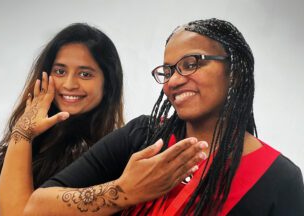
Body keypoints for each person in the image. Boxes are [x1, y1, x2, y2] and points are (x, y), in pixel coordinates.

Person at [25, 18, 303, 215]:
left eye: (191, 64)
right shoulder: (142, 136)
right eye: (168, 71)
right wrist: (125, 191)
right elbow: (37, 207)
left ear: (236, 73)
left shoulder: (279, 178)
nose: (172, 82)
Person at [0, 23, 124, 216]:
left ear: (108, 84)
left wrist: (22, 133)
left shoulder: (104, 154)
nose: (69, 84)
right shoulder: (37, 134)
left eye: (85, 74)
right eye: (60, 71)